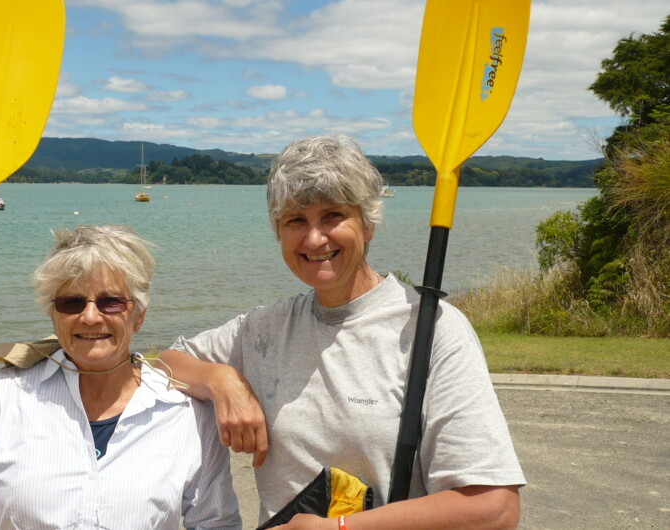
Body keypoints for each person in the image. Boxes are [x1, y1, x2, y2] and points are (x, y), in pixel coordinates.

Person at [159, 135, 525, 529]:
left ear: (367, 225)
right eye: (296, 220)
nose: (315, 238)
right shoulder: (264, 330)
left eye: (333, 216)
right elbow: (162, 364)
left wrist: (339, 529)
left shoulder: (431, 329)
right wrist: (221, 379)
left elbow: (495, 509)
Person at [0, 225, 241, 530]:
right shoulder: (0, 399)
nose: (90, 317)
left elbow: (217, 523)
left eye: (110, 302)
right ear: (53, 314)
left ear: (139, 316)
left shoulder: (186, 415)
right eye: (72, 303)